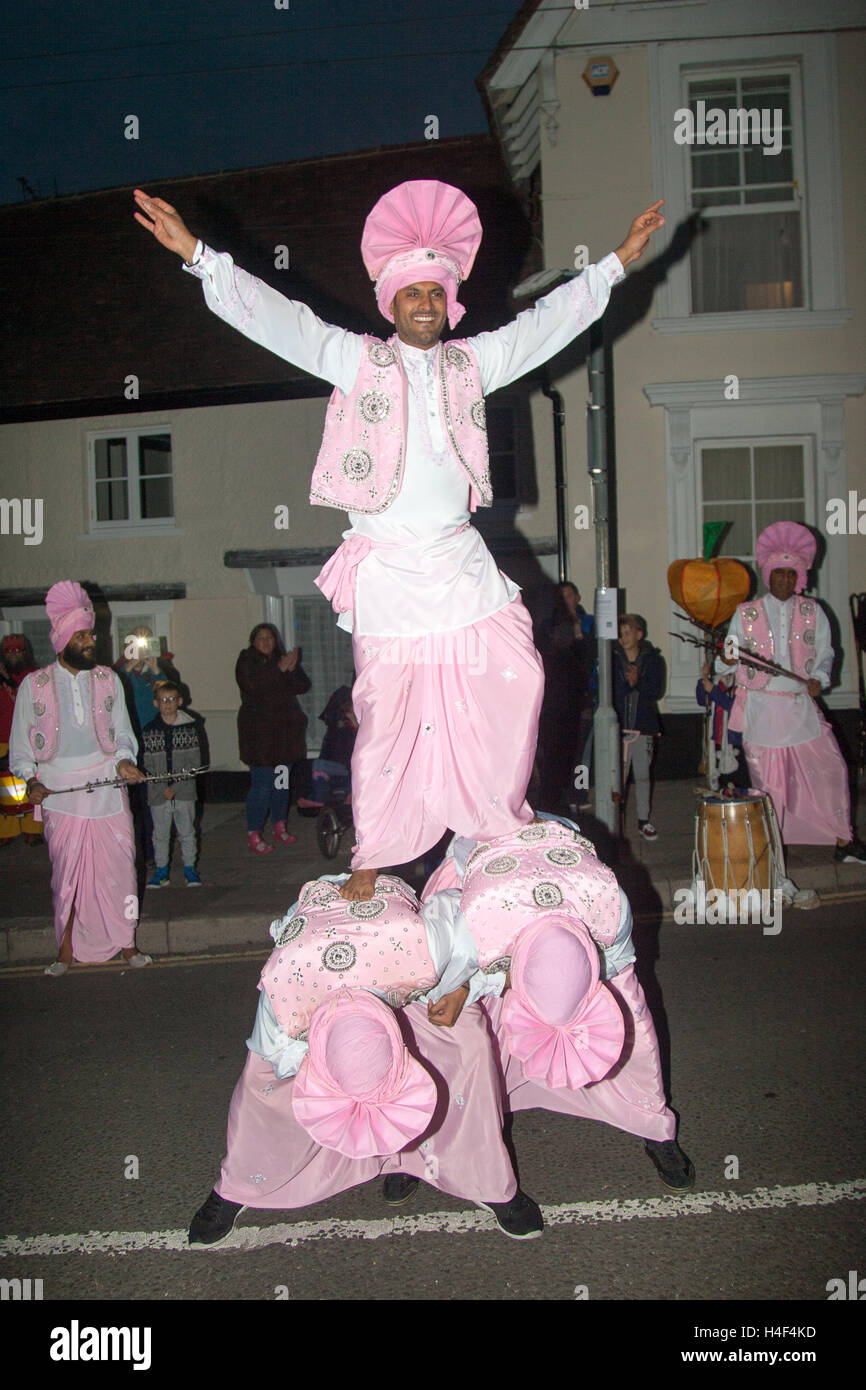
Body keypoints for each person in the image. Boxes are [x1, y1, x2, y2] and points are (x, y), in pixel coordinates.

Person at [134, 182, 665, 900]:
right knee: (388, 721)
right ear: (392, 303)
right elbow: (280, 321)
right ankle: (375, 852)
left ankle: (496, 821)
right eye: (411, 293)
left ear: (450, 303)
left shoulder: (472, 363)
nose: (424, 304)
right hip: (388, 572)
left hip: (459, 560)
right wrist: (200, 257)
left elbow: (547, 324)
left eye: (435, 295)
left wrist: (613, 266)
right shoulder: (358, 360)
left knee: (522, 676)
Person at [187, 871, 544, 1246]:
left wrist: (466, 986)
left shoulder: (421, 949)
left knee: (467, 1044)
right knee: (265, 1088)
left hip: (390, 939)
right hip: (320, 936)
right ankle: (240, 1183)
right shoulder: (285, 999)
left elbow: (467, 920)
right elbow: (275, 1061)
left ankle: (483, 1177)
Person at [417, 815, 694, 1194]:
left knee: (630, 1012)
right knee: (443, 1023)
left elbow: (616, 962)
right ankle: (419, 1145)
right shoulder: (472, 920)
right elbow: (468, 966)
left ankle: (652, 1124)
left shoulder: (609, 908)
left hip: (561, 860)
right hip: (480, 861)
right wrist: (462, 989)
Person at [8, 582, 152, 975]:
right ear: (62, 639)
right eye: (84, 636)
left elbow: (124, 733)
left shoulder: (108, 679)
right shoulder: (33, 686)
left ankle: (127, 942)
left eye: (92, 635)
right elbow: (20, 746)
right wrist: (29, 781)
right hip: (59, 792)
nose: (92, 641)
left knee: (121, 871)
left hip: (107, 787)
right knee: (68, 878)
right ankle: (65, 950)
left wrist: (124, 761)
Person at [719, 521, 866, 878]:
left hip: (800, 707)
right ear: (768, 575)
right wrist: (726, 658)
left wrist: (818, 678)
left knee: (832, 769)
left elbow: (826, 651)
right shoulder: (746, 613)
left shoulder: (813, 611)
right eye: (778, 573)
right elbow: (727, 653)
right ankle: (771, 853)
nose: (785, 579)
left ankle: (844, 842)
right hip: (763, 711)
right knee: (770, 787)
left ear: (800, 576)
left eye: (791, 573)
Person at [236, 623, 311, 855]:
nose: (266, 642)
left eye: (270, 638)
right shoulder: (247, 661)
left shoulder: (282, 659)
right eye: (261, 638)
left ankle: (280, 824)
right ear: (253, 641)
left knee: (281, 784)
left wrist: (291, 668)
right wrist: (279, 669)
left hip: (284, 738)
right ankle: (254, 832)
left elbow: (302, 686)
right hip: (259, 739)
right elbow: (254, 686)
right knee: (262, 786)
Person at [536, 582, 595, 813]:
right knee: (555, 753)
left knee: (582, 755)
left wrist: (581, 636)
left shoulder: (588, 623)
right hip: (556, 704)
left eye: (569, 596)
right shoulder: (548, 626)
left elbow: (592, 658)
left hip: (583, 700)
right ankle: (556, 797)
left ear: (577, 597)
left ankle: (578, 795)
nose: (566, 601)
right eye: (562, 597)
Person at [142, 681, 204, 887]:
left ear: (179, 701)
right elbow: (147, 764)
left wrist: (175, 787)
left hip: (184, 792)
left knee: (187, 832)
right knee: (160, 834)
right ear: (156, 703)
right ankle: (161, 871)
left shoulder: (190, 728)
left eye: (171, 700)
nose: (167, 704)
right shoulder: (150, 730)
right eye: (163, 700)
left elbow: (194, 763)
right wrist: (162, 788)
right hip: (158, 793)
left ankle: (190, 869)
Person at [613, 614, 664, 840]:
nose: (622, 638)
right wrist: (627, 684)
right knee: (617, 778)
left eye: (627, 632)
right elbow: (612, 692)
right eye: (620, 633)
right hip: (619, 727)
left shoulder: (652, 659)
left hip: (644, 727)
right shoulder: (613, 658)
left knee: (643, 775)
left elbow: (655, 691)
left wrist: (638, 683)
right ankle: (616, 820)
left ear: (639, 634)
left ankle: (644, 820)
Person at [0, 634, 42, 846]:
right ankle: (6, 830)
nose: (14, 655)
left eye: (18, 650)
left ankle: (32, 829)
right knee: (6, 787)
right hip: (2, 739)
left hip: (28, 738)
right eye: (9, 651)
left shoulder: (35, 675)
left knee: (30, 783)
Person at [298, 683, 358, 808]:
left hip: (353, 766)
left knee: (318, 765)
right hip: (345, 765)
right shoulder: (340, 728)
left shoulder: (356, 728)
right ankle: (319, 798)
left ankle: (321, 798)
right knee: (320, 768)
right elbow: (331, 750)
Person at [695, 660, 748, 793]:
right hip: (718, 741)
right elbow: (702, 700)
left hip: (735, 741)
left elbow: (734, 707)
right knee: (722, 785)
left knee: (739, 783)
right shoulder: (717, 681)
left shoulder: (742, 685)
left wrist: (713, 691)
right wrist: (704, 678)